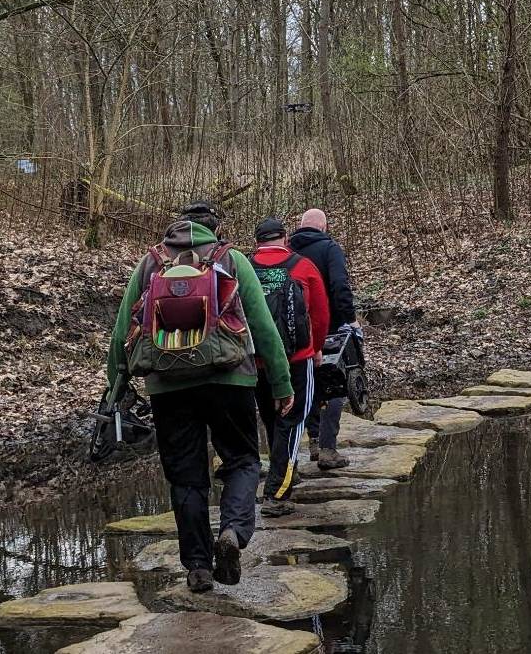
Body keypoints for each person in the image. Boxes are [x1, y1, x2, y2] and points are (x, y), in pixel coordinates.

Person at [105, 201, 293, 594]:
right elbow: (263, 326)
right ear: (216, 231)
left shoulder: (151, 263)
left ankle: (198, 568)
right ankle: (233, 533)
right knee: (242, 460)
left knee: (186, 478)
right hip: (230, 381)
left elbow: (123, 328)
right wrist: (281, 384)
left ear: (173, 230)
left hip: (168, 387)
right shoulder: (232, 260)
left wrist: (116, 387)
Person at [249, 218, 330, 517]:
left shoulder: (244, 268)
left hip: (257, 361)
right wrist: (317, 347)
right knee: (294, 421)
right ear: (285, 238)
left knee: (272, 419)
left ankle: (283, 472)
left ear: (257, 240)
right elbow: (321, 314)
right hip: (297, 359)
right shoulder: (304, 266)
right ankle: (277, 492)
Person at [289, 208, 357, 469]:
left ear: (300, 225)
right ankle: (328, 449)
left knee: (307, 383)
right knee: (335, 383)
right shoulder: (330, 248)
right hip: (330, 326)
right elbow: (340, 285)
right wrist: (350, 318)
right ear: (324, 227)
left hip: (296, 331)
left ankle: (314, 441)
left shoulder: (289, 252)